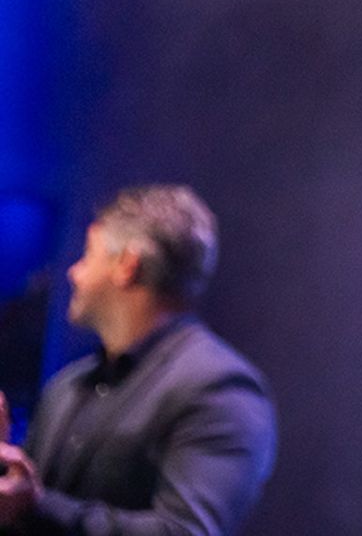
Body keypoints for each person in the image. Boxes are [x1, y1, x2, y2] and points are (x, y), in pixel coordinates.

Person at [0, 186, 276, 535]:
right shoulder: (67, 386)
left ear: (127, 266)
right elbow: (21, 510)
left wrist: (36, 506)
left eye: (87, 255)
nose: (73, 273)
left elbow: (184, 531)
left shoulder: (220, 389)